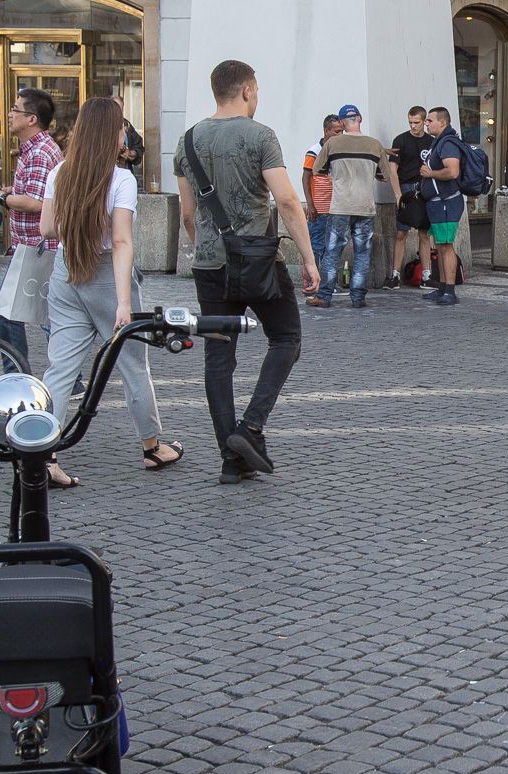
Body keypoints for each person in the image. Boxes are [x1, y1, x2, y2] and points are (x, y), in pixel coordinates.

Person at [173, 59, 319, 484]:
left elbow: (186, 212)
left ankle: (230, 459)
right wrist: (308, 258)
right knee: (286, 337)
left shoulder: (187, 141)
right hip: (258, 261)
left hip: (210, 265)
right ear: (248, 90)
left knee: (219, 357)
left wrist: (202, 249)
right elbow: (288, 202)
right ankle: (251, 428)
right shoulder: (260, 136)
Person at [41, 97, 181, 484]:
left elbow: (47, 229)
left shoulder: (61, 172)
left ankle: (45, 454)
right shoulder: (120, 180)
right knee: (133, 365)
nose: (125, 131)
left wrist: (79, 226)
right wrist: (123, 302)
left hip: (67, 269)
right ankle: (152, 447)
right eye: (121, 125)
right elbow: (121, 243)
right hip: (105, 274)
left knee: (61, 368)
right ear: (111, 133)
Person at [0, 86, 61, 371]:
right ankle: (23, 372)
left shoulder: (41, 152)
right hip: (28, 247)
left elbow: (37, 202)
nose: (9, 114)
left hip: (36, 248)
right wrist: (11, 189)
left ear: (31, 118)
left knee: (10, 312)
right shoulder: (34, 149)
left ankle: (16, 373)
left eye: (15, 109)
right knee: (37, 315)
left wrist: (3, 198)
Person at [313, 103, 395, 309]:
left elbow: (317, 170)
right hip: (365, 207)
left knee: (332, 252)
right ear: (360, 119)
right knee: (362, 253)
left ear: (341, 122)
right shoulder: (375, 145)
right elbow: (386, 176)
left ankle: (324, 296)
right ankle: (358, 297)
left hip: (340, 206)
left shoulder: (332, 144)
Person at [417, 106, 464, 306]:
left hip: (446, 201)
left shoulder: (448, 143)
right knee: (440, 245)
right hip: (437, 203)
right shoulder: (440, 142)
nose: (426, 124)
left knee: (446, 246)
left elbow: (452, 172)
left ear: (442, 123)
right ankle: (443, 287)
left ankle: (450, 291)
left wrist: (430, 174)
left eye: (430, 120)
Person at [387, 106, 435, 289]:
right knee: (401, 232)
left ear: (424, 121)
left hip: (424, 188)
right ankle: (395, 275)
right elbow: (393, 169)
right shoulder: (401, 140)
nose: (413, 126)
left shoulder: (431, 141)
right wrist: (398, 193)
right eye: (410, 122)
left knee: (424, 233)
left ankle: (426, 274)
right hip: (406, 188)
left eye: (416, 122)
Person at [301, 114, 342, 279]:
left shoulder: (339, 149)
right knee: (317, 246)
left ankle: (329, 281)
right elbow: (306, 178)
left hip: (335, 206)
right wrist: (310, 204)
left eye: (342, 131)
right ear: (326, 131)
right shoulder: (314, 151)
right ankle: (317, 279)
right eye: (337, 131)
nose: (340, 135)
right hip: (319, 207)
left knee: (332, 246)